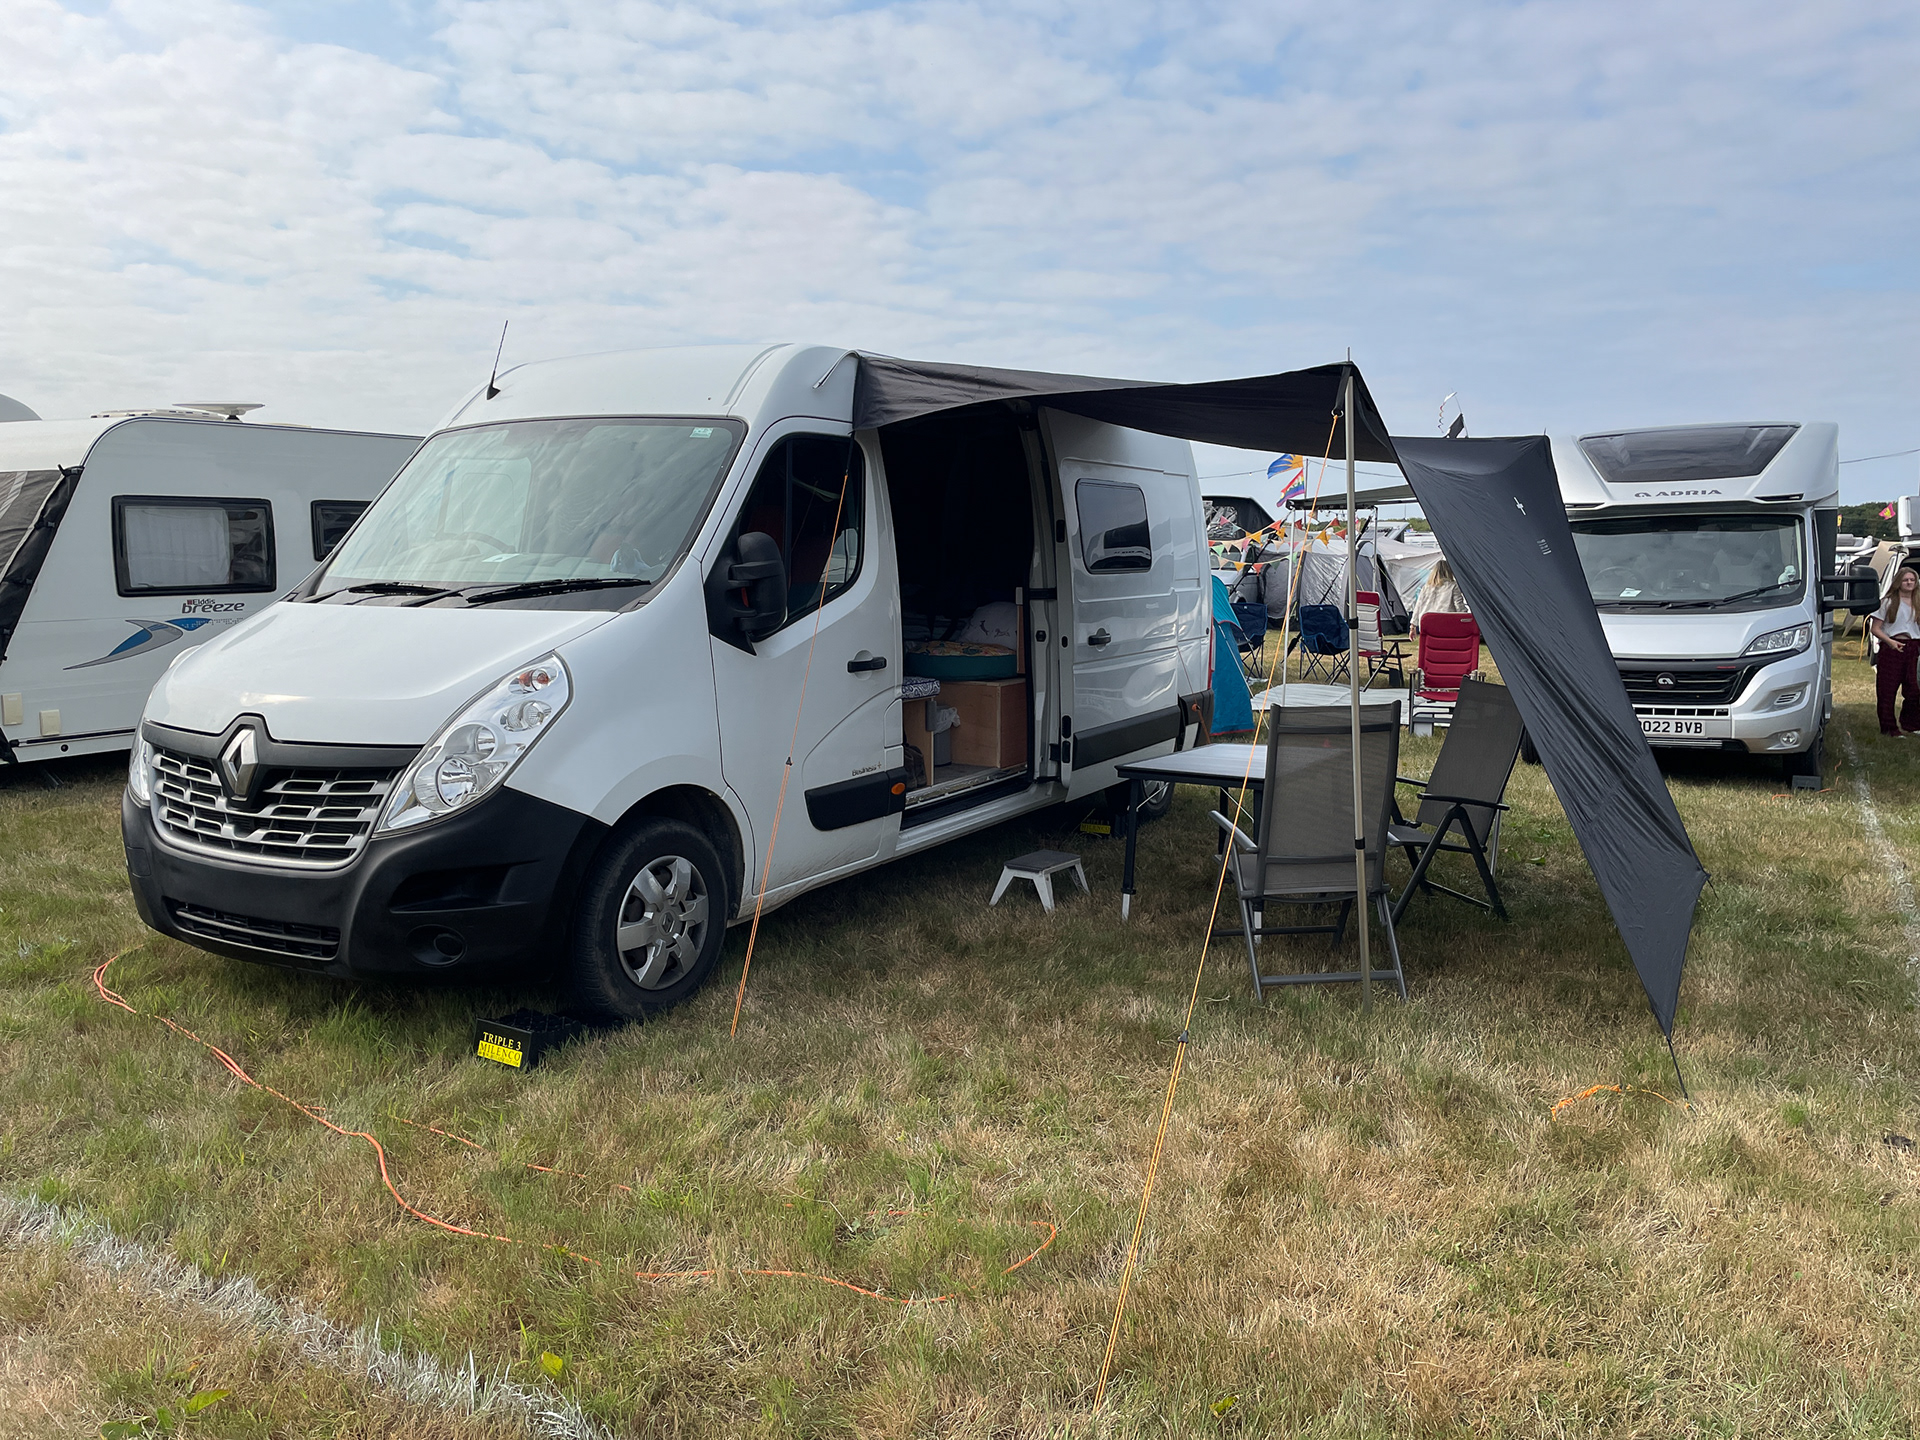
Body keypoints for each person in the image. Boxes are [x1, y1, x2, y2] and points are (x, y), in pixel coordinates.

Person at [1870, 566, 1920, 738]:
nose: (1909, 583)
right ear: (1899, 582)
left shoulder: (1918, 602)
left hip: (1913, 648)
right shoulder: (1888, 602)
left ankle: (1911, 724)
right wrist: (1890, 642)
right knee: (1887, 689)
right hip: (1892, 648)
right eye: (1906, 580)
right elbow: (1875, 628)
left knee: (1914, 689)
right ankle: (1889, 728)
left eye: (1912, 580)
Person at [1411, 559, 1467, 633]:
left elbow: (1418, 606)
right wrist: (1467, 617)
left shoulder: (1426, 587)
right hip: (1446, 624)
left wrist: (1413, 626)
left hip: (1427, 624)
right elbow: (1459, 606)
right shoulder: (1453, 586)